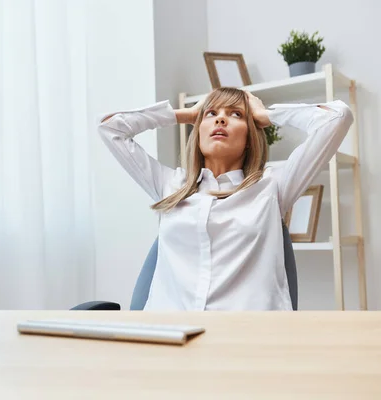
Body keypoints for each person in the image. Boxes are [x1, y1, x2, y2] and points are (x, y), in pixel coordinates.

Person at [98, 87, 354, 311]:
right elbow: (110, 128)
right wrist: (184, 114)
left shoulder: (272, 187)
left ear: (249, 137)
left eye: (236, 114)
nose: (220, 119)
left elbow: (337, 117)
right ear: (198, 132)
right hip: (169, 336)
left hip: (244, 340)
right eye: (211, 113)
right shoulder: (170, 185)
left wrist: (266, 115)